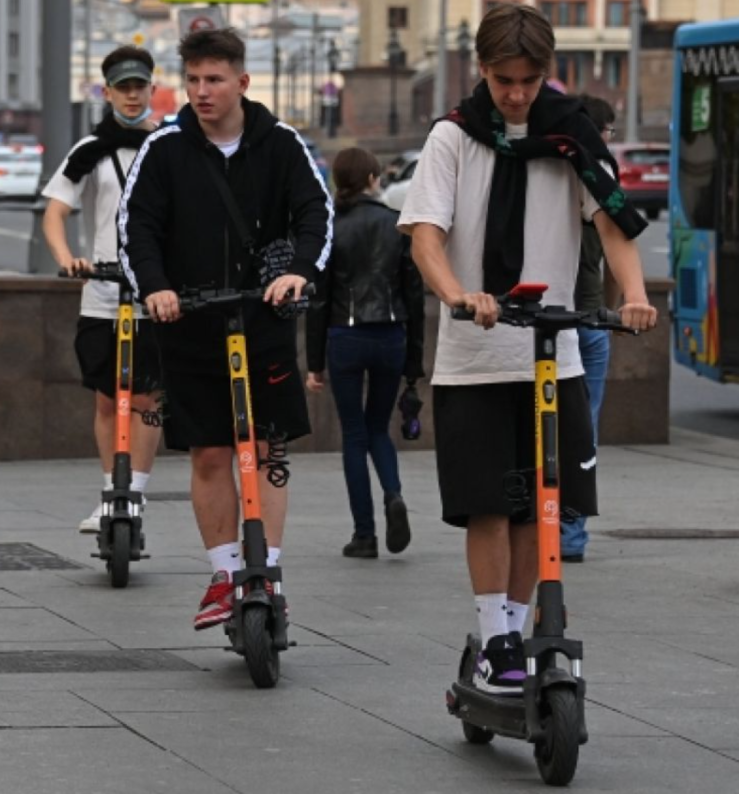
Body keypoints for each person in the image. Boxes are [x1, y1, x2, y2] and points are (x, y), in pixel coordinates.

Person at [397, 4, 657, 695]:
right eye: (503, 79)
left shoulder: (570, 135)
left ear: (549, 73)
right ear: (481, 70)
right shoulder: (453, 136)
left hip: (552, 354)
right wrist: (458, 293)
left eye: (528, 79)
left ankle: (515, 630)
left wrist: (632, 294)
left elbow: (611, 222)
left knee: (540, 504)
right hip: (474, 356)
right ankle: (496, 635)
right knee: (489, 504)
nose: (515, 94)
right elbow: (425, 234)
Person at [119, 28, 333, 630]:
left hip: (262, 319)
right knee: (211, 453)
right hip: (187, 322)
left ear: (242, 81)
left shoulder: (282, 145)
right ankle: (222, 572)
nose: (201, 91)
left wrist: (296, 273)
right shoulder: (164, 148)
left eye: (214, 80)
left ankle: (268, 571)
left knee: (269, 449)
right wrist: (155, 287)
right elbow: (137, 229)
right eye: (192, 80)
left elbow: (317, 216)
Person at [41, 45, 163, 532]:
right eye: (123, 88)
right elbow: (55, 212)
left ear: (152, 89)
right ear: (107, 92)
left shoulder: (172, 145)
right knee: (107, 399)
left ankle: (133, 493)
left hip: (156, 291)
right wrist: (69, 259)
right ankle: (111, 489)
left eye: (140, 87)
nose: (132, 97)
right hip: (103, 291)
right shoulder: (89, 150)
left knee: (149, 398)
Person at [306, 147, 425, 560]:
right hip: (391, 336)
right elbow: (414, 297)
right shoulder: (397, 226)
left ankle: (364, 534)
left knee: (354, 435)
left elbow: (319, 301)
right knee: (379, 428)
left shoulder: (331, 229)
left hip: (346, 337)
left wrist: (314, 364)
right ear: (374, 179)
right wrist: (414, 361)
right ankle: (393, 493)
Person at [560, 94, 617, 564]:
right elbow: (620, 245)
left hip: (552, 322)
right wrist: (620, 308)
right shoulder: (599, 177)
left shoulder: (550, 172)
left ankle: (545, 526)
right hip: (590, 321)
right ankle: (572, 536)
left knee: (545, 428)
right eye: (610, 131)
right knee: (585, 431)